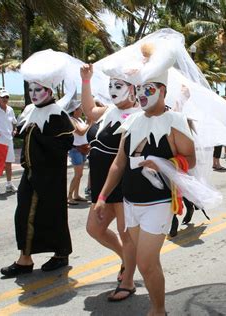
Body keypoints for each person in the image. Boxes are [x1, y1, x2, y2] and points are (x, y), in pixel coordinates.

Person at [94, 42, 196, 316]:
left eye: (147, 89)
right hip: (130, 202)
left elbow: (190, 159)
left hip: (158, 202)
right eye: (138, 89)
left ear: (162, 91)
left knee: (147, 262)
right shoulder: (132, 122)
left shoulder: (175, 120)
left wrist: (162, 163)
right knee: (141, 262)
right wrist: (103, 197)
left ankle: (158, 309)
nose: (141, 94)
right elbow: (118, 163)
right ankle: (157, 307)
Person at [1, 50, 76, 277]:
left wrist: (40, 138)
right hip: (30, 173)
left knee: (50, 214)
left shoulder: (56, 113)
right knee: (24, 214)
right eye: (31, 90)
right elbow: (25, 136)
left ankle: (60, 253)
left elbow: (65, 143)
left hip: (49, 177)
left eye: (38, 90)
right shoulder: (29, 110)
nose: (33, 94)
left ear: (49, 91)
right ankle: (25, 258)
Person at [80, 61, 139, 301]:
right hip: (101, 185)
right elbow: (88, 110)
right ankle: (125, 259)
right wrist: (86, 80)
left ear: (133, 89)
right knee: (94, 229)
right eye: (111, 85)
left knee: (127, 235)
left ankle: (128, 282)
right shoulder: (108, 112)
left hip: (124, 185)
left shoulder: (139, 116)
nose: (113, 90)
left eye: (119, 85)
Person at [66, 100, 91, 205]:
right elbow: (81, 132)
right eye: (79, 108)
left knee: (79, 175)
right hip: (76, 149)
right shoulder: (71, 120)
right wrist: (89, 123)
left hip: (82, 149)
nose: (81, 110)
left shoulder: (79, 119)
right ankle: (69, 196)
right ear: (75, 110)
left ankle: (76, 195)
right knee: (78, 174)